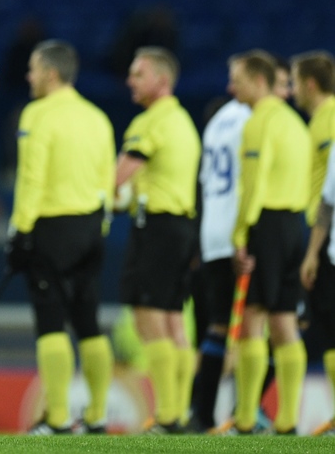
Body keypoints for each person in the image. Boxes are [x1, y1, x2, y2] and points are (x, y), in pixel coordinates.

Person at [5, 40, 115, 435]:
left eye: (33, 69)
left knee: (51, 322)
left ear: (51, 74)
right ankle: (99, 415)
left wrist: (19, 230)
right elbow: (108, 180)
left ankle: (58, 418)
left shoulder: (37, 114)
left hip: (51, 227)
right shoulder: (99, 118)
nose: (28, 76)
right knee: (88, 321)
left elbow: (31, 178)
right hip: (90, 228)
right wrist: (100, 226)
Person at [116, 46, 201, 434]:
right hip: (183, 227)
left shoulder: (149, 122)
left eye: (138, 74)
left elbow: (118, 179)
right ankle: (180, 412)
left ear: (161, 80)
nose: (130, 80)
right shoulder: (183, 122)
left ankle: (166, 416)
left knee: (148, 317)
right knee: (173, 322)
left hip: (156, 228)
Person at [225, 50, 309, 435]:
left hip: (268, 225)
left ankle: (244, 420)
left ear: (259, 81)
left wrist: (241, 235)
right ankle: (288, 421)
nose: (231, 87)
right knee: (285, 323)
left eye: (237, 79)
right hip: (295, 225)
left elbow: (252, 186)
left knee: (253, 322)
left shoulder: (258, 122)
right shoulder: (295, 122)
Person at [189, 92, 252, 432]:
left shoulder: (212, 135)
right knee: (267, 326)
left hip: (210, 241)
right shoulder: (254, 124)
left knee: (215, 327)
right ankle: (248, 413)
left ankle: (200, 412)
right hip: (242, 238)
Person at [292, 50, 335, 437]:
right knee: (324, 328)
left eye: (293, 81)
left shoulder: (331, 119)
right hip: (321, 236)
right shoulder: (318, 122)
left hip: (329, 239)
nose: (290, 90)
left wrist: (313, 251)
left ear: (309, 83)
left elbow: (330, 192)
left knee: (326, 324)